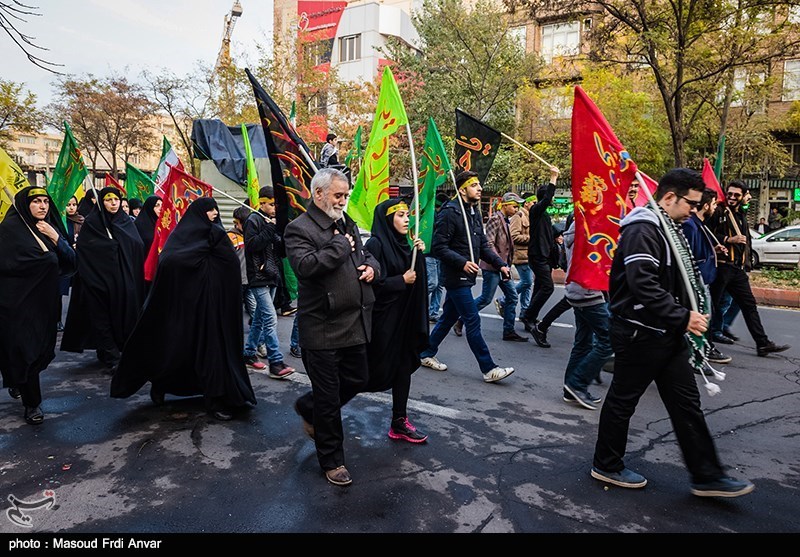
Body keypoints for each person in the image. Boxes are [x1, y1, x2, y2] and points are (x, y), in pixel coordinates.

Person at [591, 167, 755, 498]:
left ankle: (707, 475)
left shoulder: (672, 227)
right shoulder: (643, 229)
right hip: (640, 332)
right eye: (691, 204)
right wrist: (683, 317)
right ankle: (606, 464)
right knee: (623, 401)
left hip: (667, 334)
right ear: (669, 197)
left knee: (687, 405)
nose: (695, 211)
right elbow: (643, 284)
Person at [111, 197, 257, 421]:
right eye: (209, 210)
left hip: (213, 312)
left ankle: (215, 398)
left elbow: (230, 267)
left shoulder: (217, 235)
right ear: (198, 213)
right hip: (185, 312)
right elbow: (170, 263)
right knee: (176, 351)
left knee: (214, 354)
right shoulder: (181, 238)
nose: (214, 213)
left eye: (216, 209)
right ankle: (161, 385)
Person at [285, 167, 379, 487]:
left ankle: (308, 408)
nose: (343, 200)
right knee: (328, 399)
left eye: (345, 195)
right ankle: (332, 459)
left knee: (359, 377)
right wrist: (340, 248)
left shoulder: (346, 222)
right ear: (319, 194)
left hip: (354, 322)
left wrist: (370, 267)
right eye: (338, 195)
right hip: (322, 327)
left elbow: (365, 254)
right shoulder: (299, 228)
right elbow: (306, 266)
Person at [418, 170, 515, 383]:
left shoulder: (474, 212)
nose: (479, 188)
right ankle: (489, 368)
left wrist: (501, 265)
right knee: (472, 320)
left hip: (465, 276)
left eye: (479, 185)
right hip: (456, 276)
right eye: (475, 185)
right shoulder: (450, 212)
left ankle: (425, 353)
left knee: (447, 318)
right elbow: (438, 246)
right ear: (463, 189)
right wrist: (462, 263)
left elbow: (482, 245)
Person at [0, 186, 76, 425]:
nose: (42, 206)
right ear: (25, 205)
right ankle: (32, 404)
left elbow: (72, 261)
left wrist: (55, 238)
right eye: (36, 202)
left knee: (36, 353)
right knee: (25, 352)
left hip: (45, 307)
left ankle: (16, 380)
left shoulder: (48, 228)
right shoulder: (8, 232)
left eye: (45, 201)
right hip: (14, 306)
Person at [361, 198, 430, 442]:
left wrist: (418, 256)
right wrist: (400, 280)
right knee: (365, 373)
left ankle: (399, 420)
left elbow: (418, 283)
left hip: (404, 320)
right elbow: (370, 284)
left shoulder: (407, 246)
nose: (406, 219)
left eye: (407, 215)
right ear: (387, 219)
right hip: (382, 322)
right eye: (400, 215)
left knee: (403, 368)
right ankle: (322, 409)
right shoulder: (376, 244)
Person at [61, 186, 145, 370]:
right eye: (108, 200)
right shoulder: (93, 223)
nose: (113, 203)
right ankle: (111, 355)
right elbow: (86, 250)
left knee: (122, 316)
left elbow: (137, 246)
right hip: (97, 282)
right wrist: (109, 249)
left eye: (116, 199)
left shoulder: (126, 222)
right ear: (101, 202)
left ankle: (115, 350)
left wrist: (121, 248)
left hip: (122, 282)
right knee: (102, 320)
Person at [708, 180, 789, 357]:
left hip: (737, 270)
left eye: (737, 195)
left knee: (749, 305)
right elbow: (707, 232)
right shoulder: (719, 211)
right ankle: (705, 344)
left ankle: (762, 343)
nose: (732, 197)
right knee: (711, 305)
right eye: (729, 194)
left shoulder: (740, 214)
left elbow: (746, 242)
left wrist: (746, 265)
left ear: (743, 196)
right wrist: (728, 240)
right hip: (721, 267)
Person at [242, 186, 295, 378]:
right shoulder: (253, 220)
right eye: (271, 204)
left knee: (259, 320)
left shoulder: (270, 221)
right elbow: (252, 245)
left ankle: (248, 354)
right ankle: (275, 362)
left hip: (272, 275)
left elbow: (279, 250)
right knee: (270, 318)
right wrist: (270, 227)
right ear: (262, 203)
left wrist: (282, 234)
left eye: (276, 205)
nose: (274, 208)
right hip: (258, 277)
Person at [561, 218, 611, 410]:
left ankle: (570, 389)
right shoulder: (588, 227)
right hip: (588, 292)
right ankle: (577, 384)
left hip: (579, 290)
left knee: (583, 342)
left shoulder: (580, 225)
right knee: (608, 340)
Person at [681, 188, 731, 367]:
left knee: (708, 314)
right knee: (703, 317)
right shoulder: (690, 225)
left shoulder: (700, 224)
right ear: (706, 205)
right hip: (698, 279)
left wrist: (713, 250)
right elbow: (689, 254)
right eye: (714, 203)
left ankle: (703, 350)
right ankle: (700, 353)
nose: (716, 207)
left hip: (705, 278)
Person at [473, 191, 527, 342]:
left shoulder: (507, 220)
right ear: (506, 205)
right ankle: (461, 318)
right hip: (493, 267)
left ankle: (508, 331)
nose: (517, 210)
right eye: (515, 206)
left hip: (504, 267)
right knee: (485, 299)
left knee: (512, 297)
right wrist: (500, 263)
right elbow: (489, 244)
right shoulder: (495, 219)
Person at [520, 167, 561, 345]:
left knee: (539, 287)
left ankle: (530, 316)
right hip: (537, 256)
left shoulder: (544, 215)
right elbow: (545, 200)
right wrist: (553, 177)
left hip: (544, 255)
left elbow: (548, 232)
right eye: (550, 196)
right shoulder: (536, 210)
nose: (551, 199)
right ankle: (529, 315)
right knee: (548, 287)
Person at [57, 195, 84, 331]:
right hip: (63, 261)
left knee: (80, 291)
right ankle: (57, 320)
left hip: (79, 260)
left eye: (74, 204)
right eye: (68, 205)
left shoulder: (81, 221)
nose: (71, 207)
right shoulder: (59, 221)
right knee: (59, 293)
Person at [228, 205, 257, 321]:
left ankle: (257, 333)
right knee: (234, 309)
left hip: (250, 278)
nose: (236, 225)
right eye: (235, 222)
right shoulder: (230, 237)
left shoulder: (252, 235)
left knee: (254, 308)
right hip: (236, 280)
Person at [426, 192, 449, 323]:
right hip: (429, 254)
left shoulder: (443, 216)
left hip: (439, 255)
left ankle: (433, 313)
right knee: (432, 283)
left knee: (439, 285)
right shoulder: (430, 216)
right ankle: (415, 302)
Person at [134, 195, 162, 262]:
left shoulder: (163, 224)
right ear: (150, 207)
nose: (160, 208)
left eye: (162, 205)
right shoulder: (138, 225)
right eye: (157, 205)